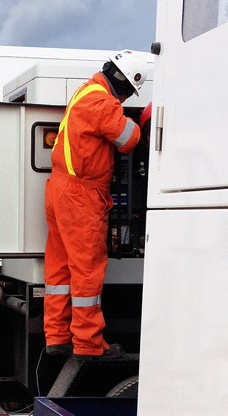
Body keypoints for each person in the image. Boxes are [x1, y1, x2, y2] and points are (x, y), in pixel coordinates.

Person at [44, 50, 154, 360]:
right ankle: (89, 346)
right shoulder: (103, 102)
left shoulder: (86, 90)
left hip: (58, 189)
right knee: (87, 271)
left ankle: (57, 338)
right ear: (124, 84)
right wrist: (143, 119)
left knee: (60, 269)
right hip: (80, 195)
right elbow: (129, 139)